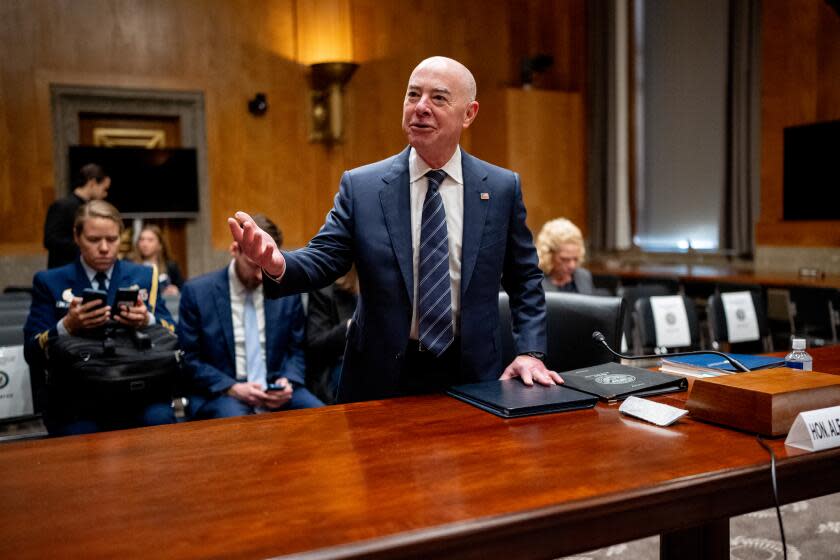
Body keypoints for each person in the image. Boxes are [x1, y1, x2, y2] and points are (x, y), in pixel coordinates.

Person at [230, 56, 562, 403]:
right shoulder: (364, 187)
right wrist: (276, 262)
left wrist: (531, 352)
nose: (420, 107)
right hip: (381, 377)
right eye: (413, 94)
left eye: (438, 98)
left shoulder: (499, 187)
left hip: (472, 374)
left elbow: (525, 279)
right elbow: (324, 258)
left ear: (469, 113)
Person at [24, 200, 176, 436]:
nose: (104, 248)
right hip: (77, 396)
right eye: (94, 240)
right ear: (77, 236)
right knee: (80, 437)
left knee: (162, 422)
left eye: (112, 239)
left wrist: (147, 320)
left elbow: (174, 333)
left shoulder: (145, 276)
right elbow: (31, 350)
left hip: (138, 388)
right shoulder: (50, 281)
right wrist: (67, 326)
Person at [178, 214, 323, 419]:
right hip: (224, 393)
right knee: (243, 426)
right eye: (255, 265)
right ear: (235, 250)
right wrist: (232, 388)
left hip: (275, 388)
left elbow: (296, 348)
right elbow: (190, 359)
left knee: (323, 417)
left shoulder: (286, 292)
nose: (261, 276)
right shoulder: (197, 293)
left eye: (267, 267)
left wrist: (287, 380)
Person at [306, 266, 358, 404]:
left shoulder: (386, 285)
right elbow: (314, 345)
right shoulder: (324, 289)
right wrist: (348, 328)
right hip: (337, 368)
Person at [43, 163, 111, 269]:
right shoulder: (62, 206)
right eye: (104, 189)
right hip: (64, 271)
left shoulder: (89, 207)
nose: (105, 194)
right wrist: (86, 245)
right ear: (92, 183)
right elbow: (51, 240)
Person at [536, 218, 594, 294]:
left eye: (575, 259)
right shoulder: (534, 282)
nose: (572, 266)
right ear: (548, 255)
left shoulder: (584, 277)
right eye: (564, 259)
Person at [132, 224, 184, 296]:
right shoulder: (130, 265)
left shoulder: (171, 266)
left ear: (160, 245)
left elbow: (182, 289)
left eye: (150, 240)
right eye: (142, 239)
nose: (145, 244)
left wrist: (175, 290)